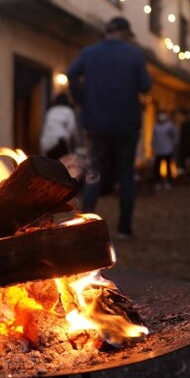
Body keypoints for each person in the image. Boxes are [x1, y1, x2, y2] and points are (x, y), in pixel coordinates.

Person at [66, 16, 152, 239]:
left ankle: (85, 226)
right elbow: (145, 85)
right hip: (127, 124)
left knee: (95, 172)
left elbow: (71, 74)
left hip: (97, 123)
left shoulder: (90, 53)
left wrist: (81, 99)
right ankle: (124, 228)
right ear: (125, 33)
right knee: (126, 174)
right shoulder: (134, 54)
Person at [40, 93, 78, 160]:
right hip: (60, 143)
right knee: (62, 163)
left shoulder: (50, 111)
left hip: (47, 143)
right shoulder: (68, 111)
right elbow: (72, 128)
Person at [151, 112, 177, 190]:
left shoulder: (170, 126)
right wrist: (153, 146)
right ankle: (158, 182)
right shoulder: (155, 126)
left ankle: (169, 182)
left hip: (167, 149)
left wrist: (173, 145)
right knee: (157, 167)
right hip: (158, 149)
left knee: (168, 166)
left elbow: (174, 136)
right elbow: (154, 137)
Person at [178, 109, 190, 179]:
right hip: (185, 145)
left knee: (187, 161)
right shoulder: (185, 124)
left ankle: (188, 174)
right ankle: (184, 175)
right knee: (184, 161)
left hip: (187, 145)